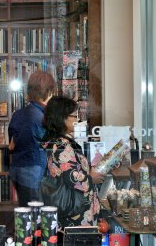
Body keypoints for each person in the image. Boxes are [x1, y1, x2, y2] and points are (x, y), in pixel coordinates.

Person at [42, 96, 105, 228]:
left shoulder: (60, 142)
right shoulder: (61, 145)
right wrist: (91, 178)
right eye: (74, 116)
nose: (77, 120)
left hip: (76, 210)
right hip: (76, 213)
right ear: (62, 117)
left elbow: (72, 169)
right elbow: (72, 177)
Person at [8, 70, 56, 207]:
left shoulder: (18, 114)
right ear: (49, 92)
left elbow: (11, 146)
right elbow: (50, 146)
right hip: (35, 174)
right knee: (38, 217)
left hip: (18, 171)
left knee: (26, 214)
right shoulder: (43, 118)